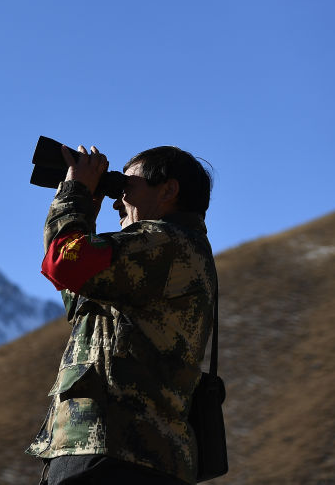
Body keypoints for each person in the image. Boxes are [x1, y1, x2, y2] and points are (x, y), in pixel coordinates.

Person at [26, 143, 217, 485]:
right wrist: (83, 209)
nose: (117, 200)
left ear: (168, 190)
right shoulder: (162, 253)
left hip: (119, 454)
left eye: (126, 187)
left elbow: (64, 265)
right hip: (122, 452)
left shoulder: (167, 243)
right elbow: (75, 289)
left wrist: (76, 192)